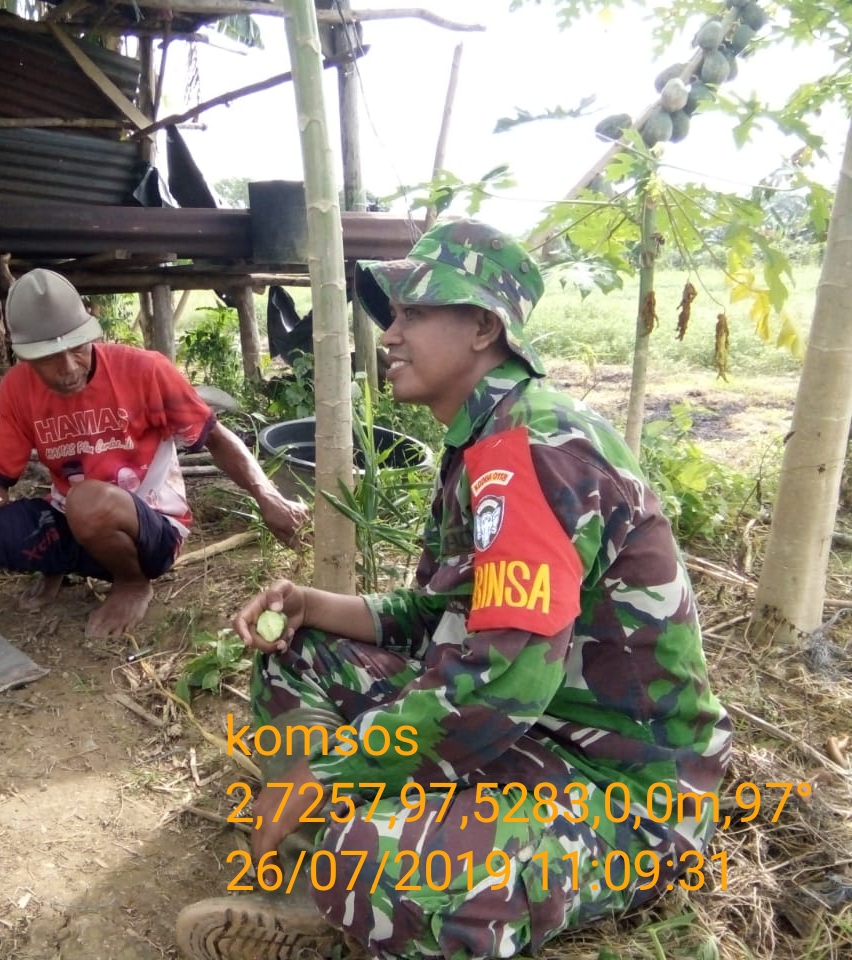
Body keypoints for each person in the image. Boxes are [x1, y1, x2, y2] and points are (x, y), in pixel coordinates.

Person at [175, 219, 732, 960]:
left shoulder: (533, 451)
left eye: (413, 313)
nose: (390, 336)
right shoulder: (483, 440)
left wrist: (330, 768)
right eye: (392, 315)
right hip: (526, 739)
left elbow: (498, 680)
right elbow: (445, 619)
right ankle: (346, 841)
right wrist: (314, 604)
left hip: (623, 791)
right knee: (299, 649)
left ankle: (360, 881)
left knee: (371, 857)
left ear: (482, 328)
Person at [0, 268, 308, 636]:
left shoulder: (145, 371)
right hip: (69, 518)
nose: (69, 367)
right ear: (22, 355)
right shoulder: (17, 388)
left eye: (77, 348)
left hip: (150, 530)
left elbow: (217, 438)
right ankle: (58, 563)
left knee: (87, 501)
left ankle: (132, 584)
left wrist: (267, 496)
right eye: (49, 359)